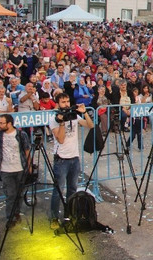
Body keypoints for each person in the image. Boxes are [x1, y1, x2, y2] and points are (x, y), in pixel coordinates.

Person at [49, 92, 95, 229]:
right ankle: (54, 217)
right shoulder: (54, 119)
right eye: (63, 102)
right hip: (61, 159)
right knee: (58, 190)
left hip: (74, 158)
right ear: (57, 104)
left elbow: (90, 125)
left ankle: (69, 215)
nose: (66, 104)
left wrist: (84, 112)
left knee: (72, 189)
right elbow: (61, 139)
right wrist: (62, 122)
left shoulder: (74, 116)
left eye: (67, 101)